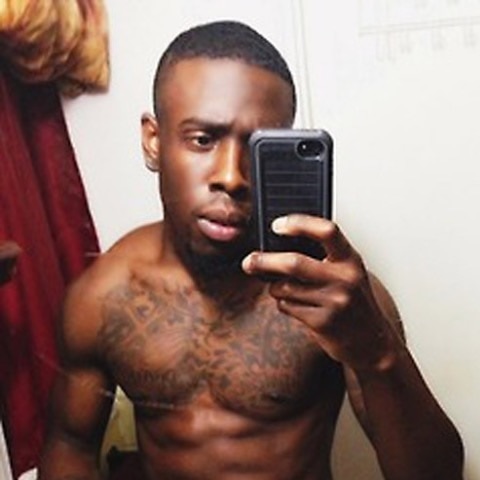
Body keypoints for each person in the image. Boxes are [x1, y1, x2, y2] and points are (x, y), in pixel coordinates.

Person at [38, 20, 464, 480]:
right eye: (203, 140)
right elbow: (70, 446)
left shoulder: (333, 298)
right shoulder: (104, 295)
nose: (232, 176)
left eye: (258, 147)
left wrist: (379, 354)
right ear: (154, 141)